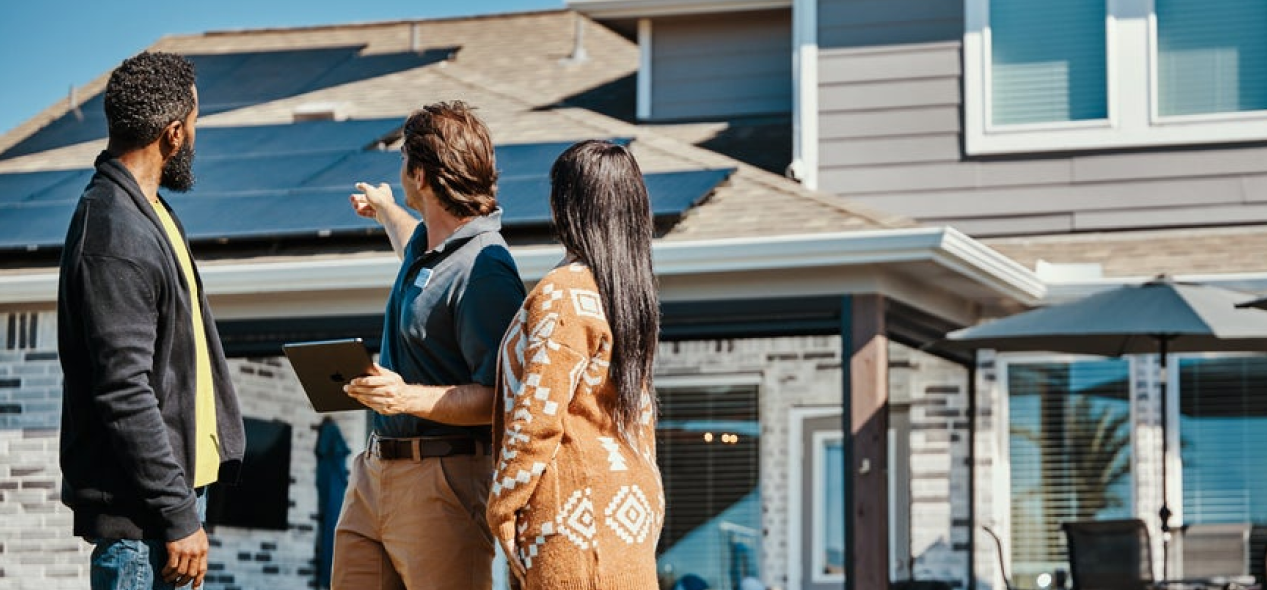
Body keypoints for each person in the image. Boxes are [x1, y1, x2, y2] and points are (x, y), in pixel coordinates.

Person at [58, 51, 246, 590]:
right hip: (143, 526)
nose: (194, 133)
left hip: (166, 512)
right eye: (194, 122)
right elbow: (123, 391)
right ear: (172, 135)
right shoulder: (115, 234)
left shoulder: (150, 213)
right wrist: (178, 514)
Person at [337, 101, 525, 590]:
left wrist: (406, 397)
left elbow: (503, 398)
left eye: (402, 161)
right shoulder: (426, 248)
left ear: (419, 174)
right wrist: (384, 209)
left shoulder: (486, 269)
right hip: (373, 474)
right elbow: (407, 239)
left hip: (443, 481)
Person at [487, 140, 665, 589]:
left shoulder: (562, 292)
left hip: (573, 510)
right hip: (631, 509)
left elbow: (538, 412)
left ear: (566, 204)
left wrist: (504, 503)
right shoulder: (628, 297)